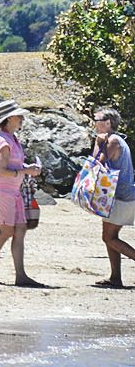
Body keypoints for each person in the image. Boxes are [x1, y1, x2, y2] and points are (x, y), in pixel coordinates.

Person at [0, 99, 45, 287]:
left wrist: (28, 168)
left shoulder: (12, 139)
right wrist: (25, 171)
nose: (21, 118)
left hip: (12, 192)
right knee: (7, 231)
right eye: (18, 116)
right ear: (9, 119)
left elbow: (12, 166)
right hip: (2, 192)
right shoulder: (4, 141)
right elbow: (1, 171)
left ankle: (20, 275)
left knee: (20, 230)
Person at [88, 108, 135, 288]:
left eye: (97, 119)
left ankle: (116, 277)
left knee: (109, 238)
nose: (94, 122)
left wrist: (96, 144)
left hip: (121, 197)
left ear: (108, 123)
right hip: (117, 196)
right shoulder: (115, 140)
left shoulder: (113, 141)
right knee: (110, 236)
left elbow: (95, 163)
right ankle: (115, 277)